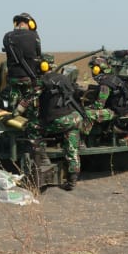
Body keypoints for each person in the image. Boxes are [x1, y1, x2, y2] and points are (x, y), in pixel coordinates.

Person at [36, 61, 86, 191]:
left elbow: (30, 99)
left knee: (33, 128)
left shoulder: (42, 81)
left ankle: (43, 157)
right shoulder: (64, 78)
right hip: (74, 118)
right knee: (72, 150)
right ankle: (72, 181)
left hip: (59, 120)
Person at [84, 55, 128, 142]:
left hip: (116, 113)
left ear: (97, 70)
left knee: (87, 114)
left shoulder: (105, 84)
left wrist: (84, 108)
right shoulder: (114, 78)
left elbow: (99, 105)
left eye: (93, 69)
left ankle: (82, 140)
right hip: (125, 110)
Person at [1, 13, 42, 110]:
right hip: (29, 79)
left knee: (12, 102)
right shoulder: (35, 36)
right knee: (30, 102)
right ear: (30, 24)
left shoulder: (7, 36)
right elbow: (38, 54)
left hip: (13, 79)